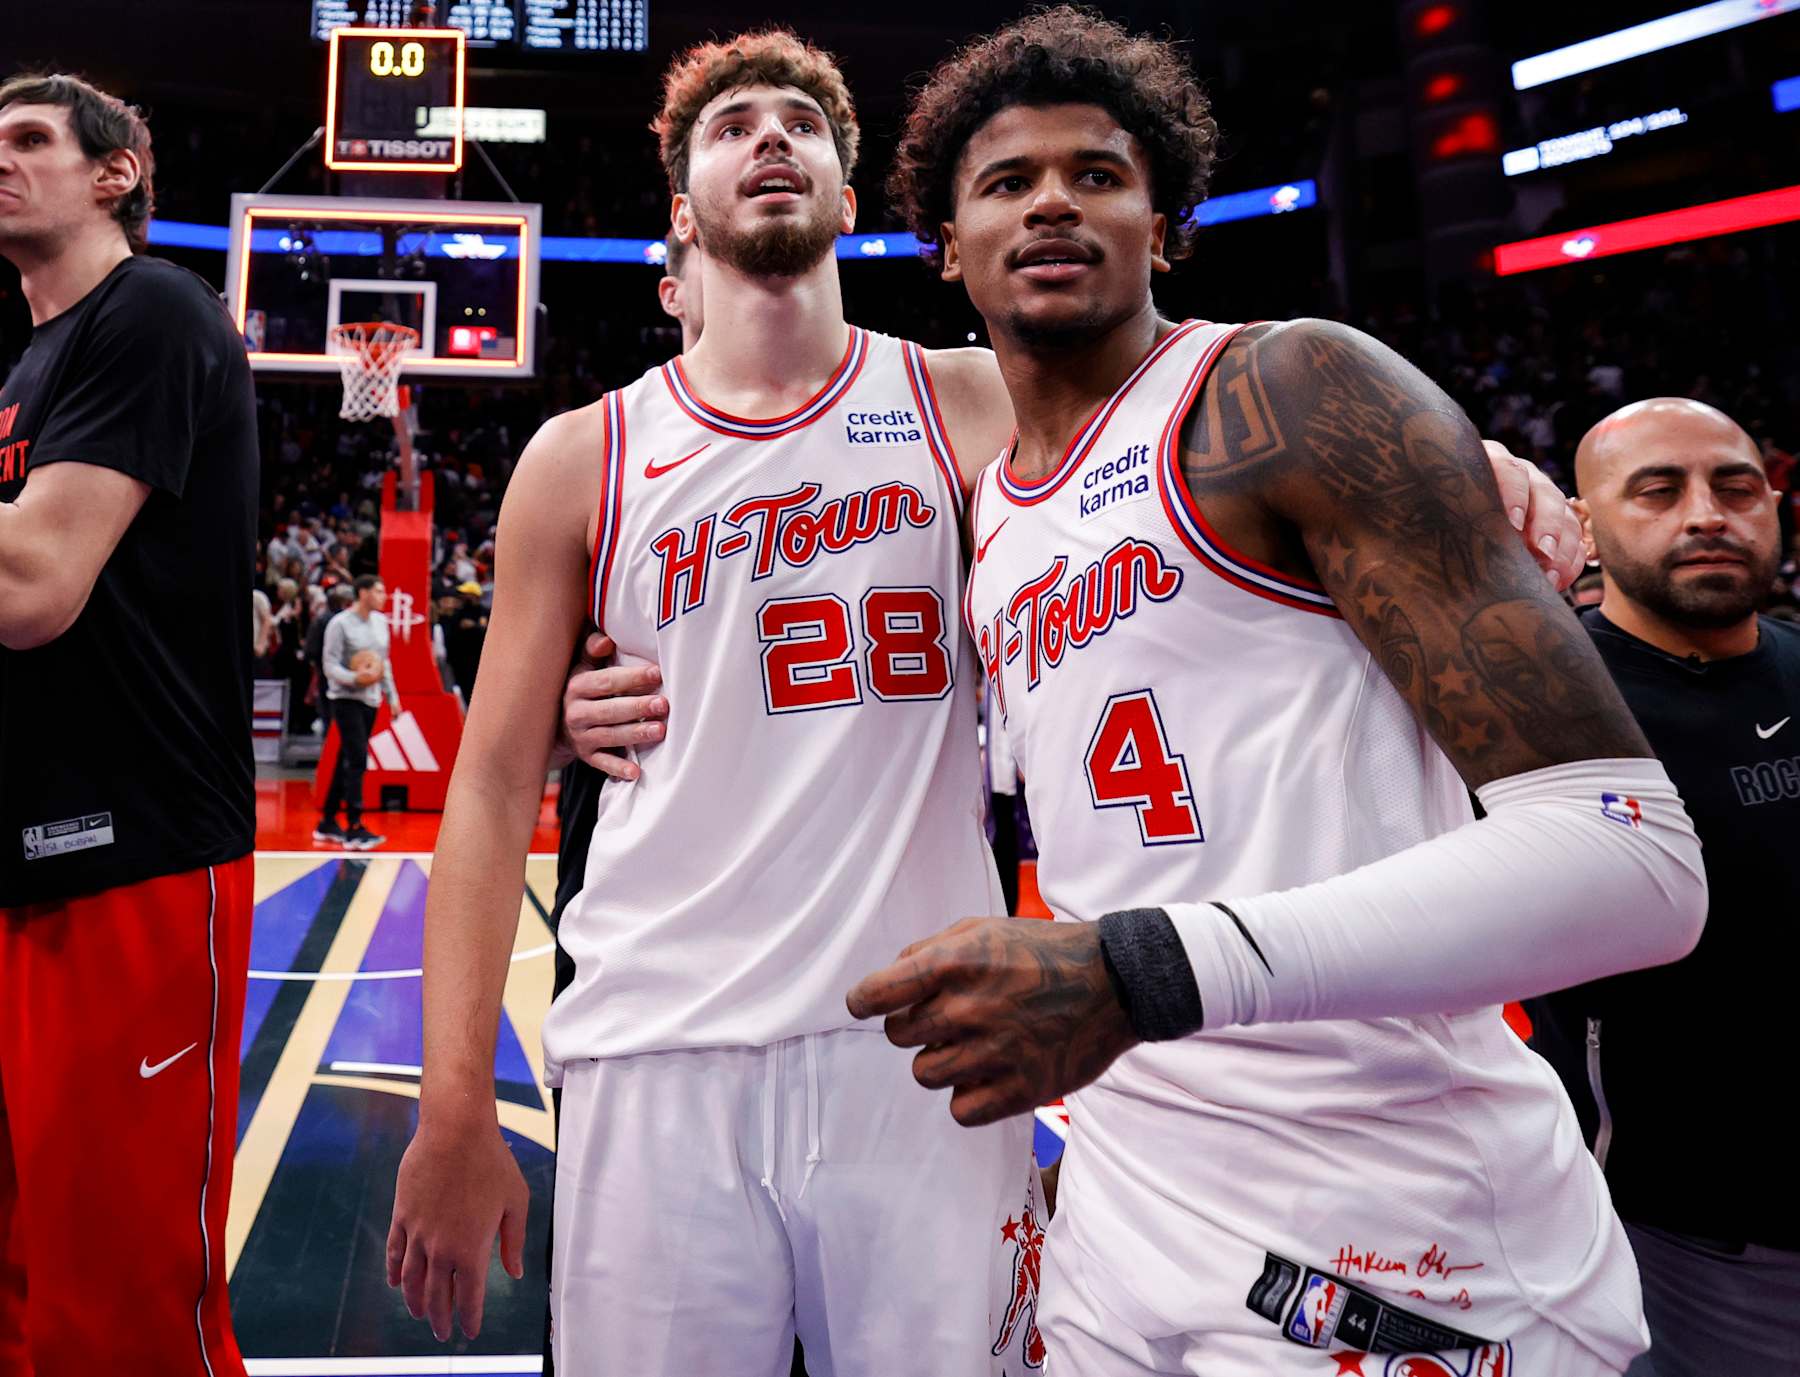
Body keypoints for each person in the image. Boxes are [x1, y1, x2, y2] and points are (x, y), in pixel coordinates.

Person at [846, 12, 1707, 1375]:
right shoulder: (988, 519)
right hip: (1130, 1205)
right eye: (1006, 182)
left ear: (1166, 226)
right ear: (946, 248)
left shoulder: (1291, 390)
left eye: (1099, 173)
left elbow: (1634, 863)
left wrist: (1138, 972)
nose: (1054, 199)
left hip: (1397, 1229)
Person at [387, 32, 1049, 1374]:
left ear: (850, 199)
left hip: (919, 1040)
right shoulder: (585, 454)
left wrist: (1470, 453)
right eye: (736, 123)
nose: (772, 138)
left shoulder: (969, 398)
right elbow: (491, 784)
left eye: (804, 122)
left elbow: (1201, 424)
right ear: (683, 210)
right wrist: (455, 1102)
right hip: (656, 1047)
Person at [0, 73, 257, 1377]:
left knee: (126, 1315)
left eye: (29, 140)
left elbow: (31, 589)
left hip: (133, 854)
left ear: (118, 172)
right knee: (34, 1297)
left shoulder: (150, 309)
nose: (1, 160)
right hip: (31, 863)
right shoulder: (28, 358)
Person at [1525, 399, 1800, 1376]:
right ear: (1584, 524)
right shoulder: (1537, 706)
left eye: (1735, 486)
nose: (1706, 514)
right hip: (1698, 1235)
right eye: (1657, 489)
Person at [317, 573, 400, 850]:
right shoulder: (339, 624)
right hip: (345, 699)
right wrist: (356, 678)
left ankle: (327, 821)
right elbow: (329, 665)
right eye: (378, 591)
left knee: (347, 757)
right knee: (357, 759)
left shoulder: (380, 623)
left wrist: (392, 695)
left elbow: (382, 663)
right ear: (362, 593)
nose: (383, 596)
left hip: (371, 700)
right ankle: (354, 826)